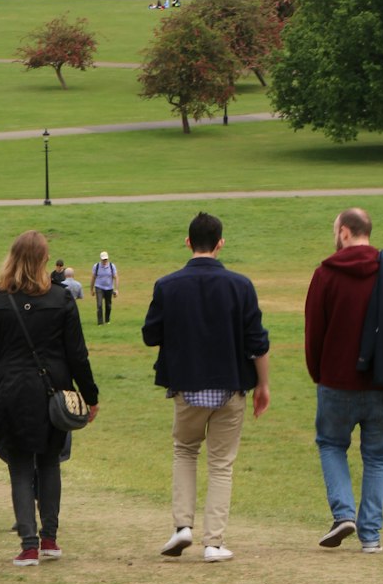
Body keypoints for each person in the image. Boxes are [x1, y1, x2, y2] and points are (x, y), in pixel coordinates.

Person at [141, 211, 270, 563]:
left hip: (187, 386)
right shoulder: (240, 286)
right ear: (220, 244)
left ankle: (182, 525)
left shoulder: (167, 285)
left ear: (188, 242)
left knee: (185, 450)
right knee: (221, 465)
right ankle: (213, 542)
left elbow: (150, 334)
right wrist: (264, 385)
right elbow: (257, 342)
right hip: (231, 386)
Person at [0, 231, 99, 566]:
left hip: (11, 389)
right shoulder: (61, 298)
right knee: (50, 461)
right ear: (44, 259)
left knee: (20, 466)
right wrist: (89, 396)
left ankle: (28, 544)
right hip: (53, 390)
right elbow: (77, 355)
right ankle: (50, 539)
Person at [305, 208, 383, 553]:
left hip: (336, 381)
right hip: (382, 383)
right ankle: (370, 536)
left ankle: (344, 512)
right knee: (377, 457)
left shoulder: (326, 275)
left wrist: (319, 372)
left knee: (331, 444)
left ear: (344, 232)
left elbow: (314, 331)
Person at [90, 251, 119, 324]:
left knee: (108, 305)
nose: (104, 261)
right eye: (103, 259)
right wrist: (91, 289)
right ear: (100, 259)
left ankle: (107, 320)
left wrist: (117, 289)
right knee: (99, 305)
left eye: (106, 259)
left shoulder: (112, 266)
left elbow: (116, 277)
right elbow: (93, 278)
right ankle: (100, 322)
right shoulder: (96, 267)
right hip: (99, 287)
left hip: (109, 288)